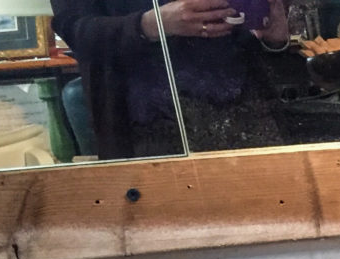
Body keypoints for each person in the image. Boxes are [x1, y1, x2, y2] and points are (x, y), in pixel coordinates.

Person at [52, 0, 289, 159]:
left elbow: (263, 28)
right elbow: (74, 29)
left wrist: (274, 30)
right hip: (149, 124)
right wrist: (151, 24)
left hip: (248, 109)